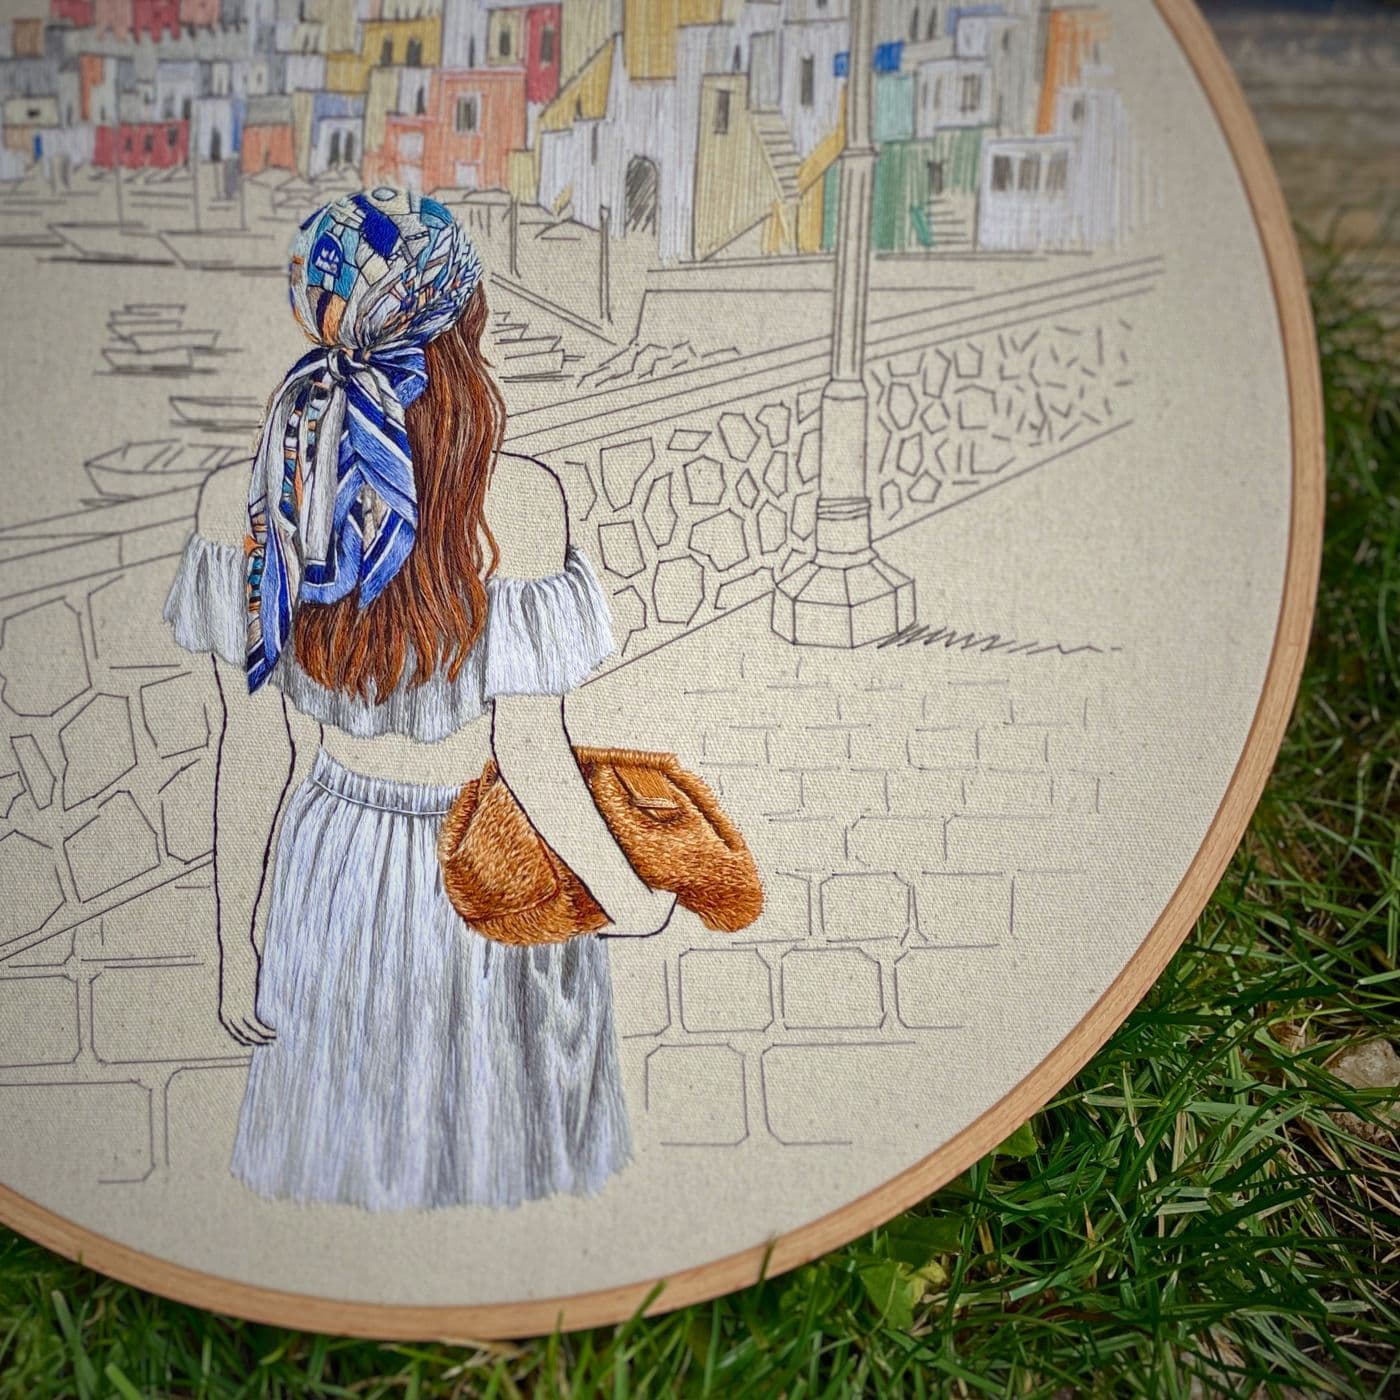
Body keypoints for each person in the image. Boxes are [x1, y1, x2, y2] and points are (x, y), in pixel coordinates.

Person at [162, 187, 674, 1212]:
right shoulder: (519, 499)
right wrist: (627, 893)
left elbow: (252, 747)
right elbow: (532, 753)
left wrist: (236, 943)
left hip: (332, 860)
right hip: (487, 859)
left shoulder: (252, 495)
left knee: (347, 1151)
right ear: (463, 327)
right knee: (499, 1150)